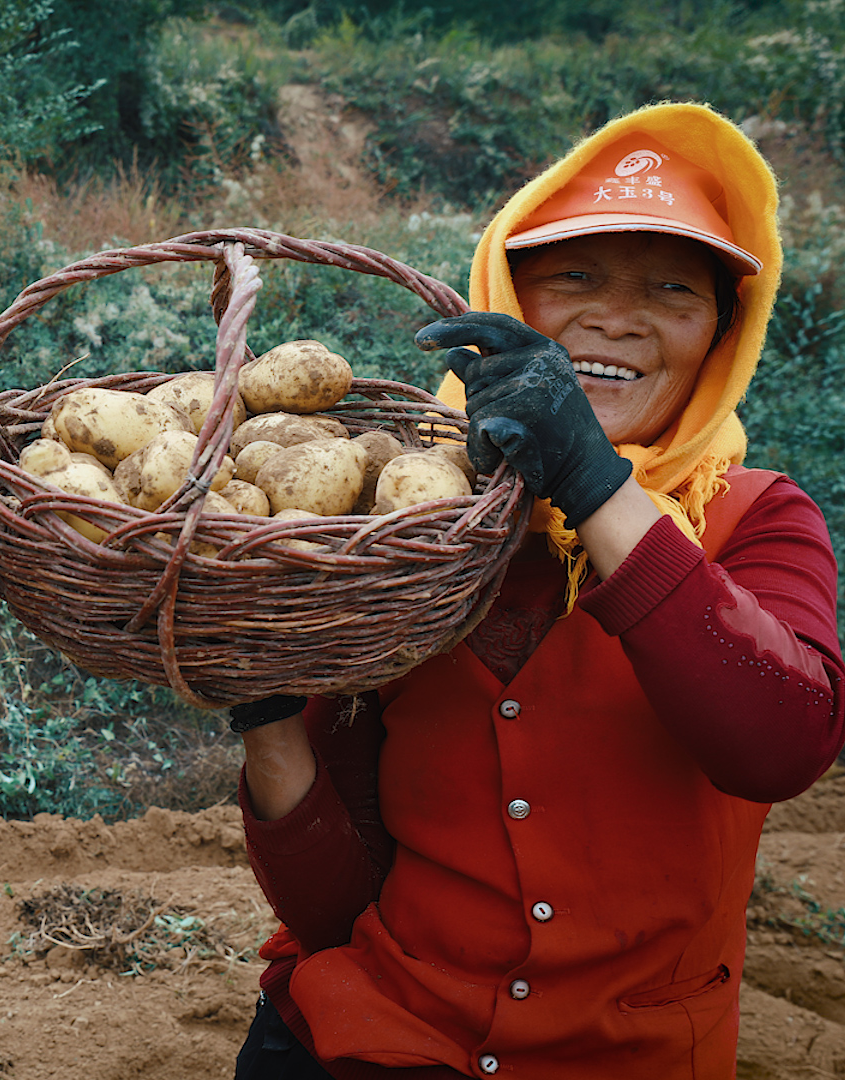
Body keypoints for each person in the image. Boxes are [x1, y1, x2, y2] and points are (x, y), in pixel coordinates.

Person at [229, 102, 844, 1078]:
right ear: (510, 301)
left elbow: (781, 742)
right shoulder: (410, 532)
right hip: (377, 1039)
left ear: (724, 332)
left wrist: (591, 478)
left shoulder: (760, 520)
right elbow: (334, 909)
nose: (618, 316)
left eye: (674, 290)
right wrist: (266, 714)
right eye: (575, 277)